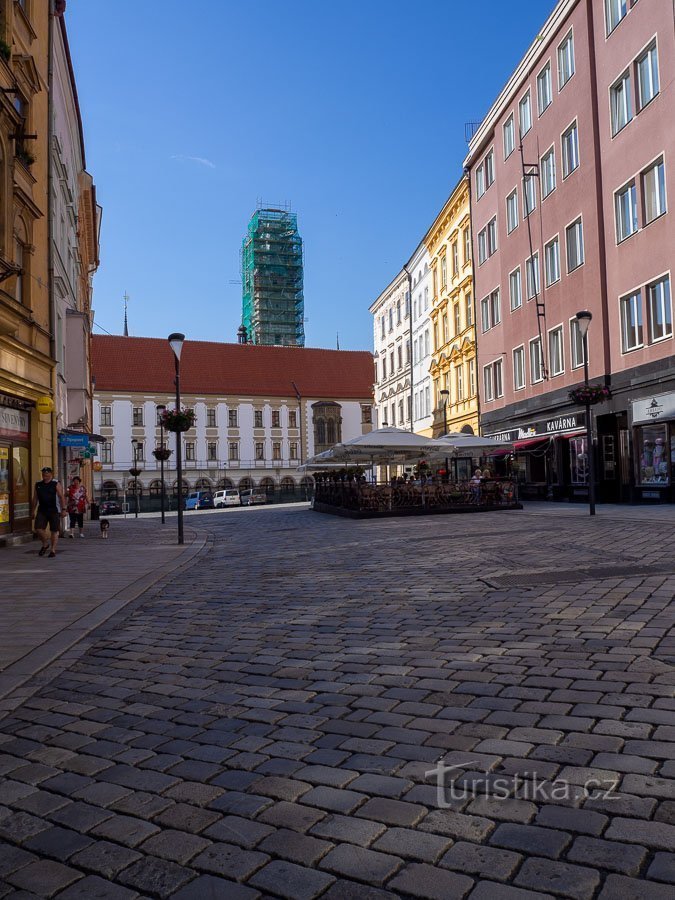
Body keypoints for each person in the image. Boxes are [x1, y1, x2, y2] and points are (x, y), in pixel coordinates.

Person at [32, 467, 67, 558]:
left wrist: (64, 509)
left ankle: (53, 550)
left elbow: (61, 497)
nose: (45, 477)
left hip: (54, 510)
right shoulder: (38, 484)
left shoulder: (56, 484)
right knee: (38, 529)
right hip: (42, 510)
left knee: (54, 530)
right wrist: (32, 510)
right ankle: (45, 544)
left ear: (51, 474)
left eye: (47, 475)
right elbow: (35, 498)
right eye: (44, 475)